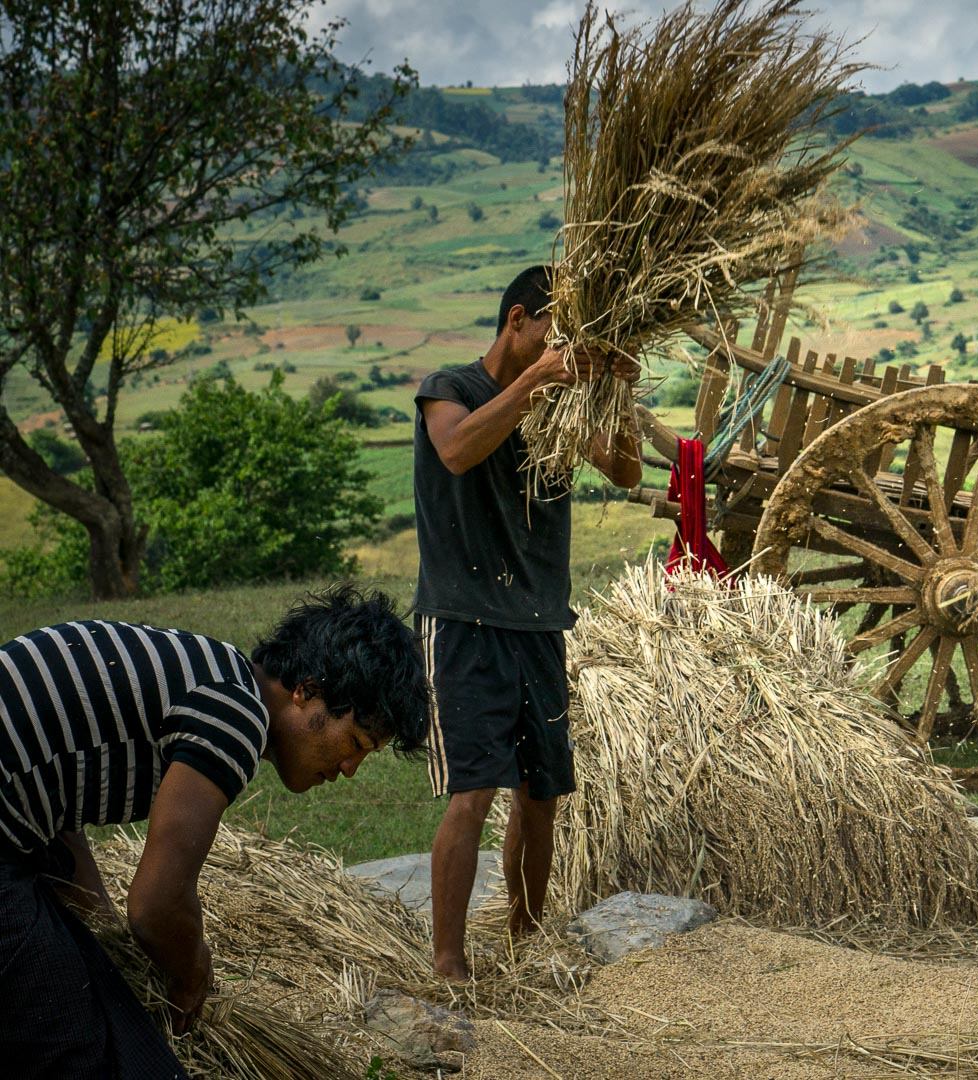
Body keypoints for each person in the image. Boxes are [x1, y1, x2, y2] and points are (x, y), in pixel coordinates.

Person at [0, 586, 428, 1076]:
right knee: (88, 1052)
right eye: (354, 742)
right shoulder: (235, 717)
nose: (350, 768)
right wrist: (192, 971)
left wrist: (104, 934)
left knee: (84, 976)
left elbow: (53, 796)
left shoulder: (213, 671)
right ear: (307, 690)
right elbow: (156, 905)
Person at [414, 265, 641, 980]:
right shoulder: (449, 389)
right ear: (518, 321)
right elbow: (457, 450)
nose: (561, 350)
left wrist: (617, 389)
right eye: (553, 333)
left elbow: (626, 470)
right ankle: (448, 965)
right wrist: (538, 381)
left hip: (539, 621)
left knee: (541, 795)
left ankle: (523, 945)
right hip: (464, 621)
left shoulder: (558, 406)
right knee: (474, 791)